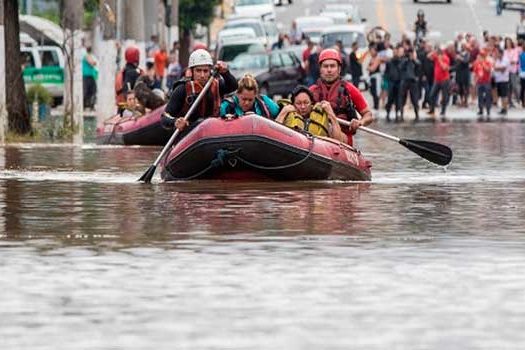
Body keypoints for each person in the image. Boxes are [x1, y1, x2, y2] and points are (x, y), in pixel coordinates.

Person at [161, 49, 238, 134]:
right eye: (198, 70)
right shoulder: (182, 89)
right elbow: (165, 117)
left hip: (212, 133)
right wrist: (175, 122)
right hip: (190, 134)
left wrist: (225, 72)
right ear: (192, 71)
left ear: (210, 71)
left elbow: (233, 86)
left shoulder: (217, 85)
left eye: (205, 71)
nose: (202, 75)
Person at [309, 48, 374, 146]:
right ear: (320, 69)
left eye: (332, 66)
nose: (329, 70)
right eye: (325, 66)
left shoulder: (349, 89)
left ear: (339, 69)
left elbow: (368, 115)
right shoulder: (312, 90)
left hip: (343, 137)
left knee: (332, 132)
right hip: (316, 136)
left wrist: (360, 122)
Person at [275, 85, 347, 143]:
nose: (303, 107)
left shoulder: (322, 117)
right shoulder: (287, 114)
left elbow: (339, 141)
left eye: (306, 103)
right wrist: (283, 112)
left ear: (312, 103)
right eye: (298, 103)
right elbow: (274, 134)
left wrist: (331, 114)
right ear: (293, 104)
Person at [427, 45, 451, 119]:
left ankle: (443, 111)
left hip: (444, 80)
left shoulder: (446, 58)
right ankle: (432, 109)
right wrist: (433, 52)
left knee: (444, 96)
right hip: (437, 80)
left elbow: (445, 68)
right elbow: (428, 56)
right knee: (432, 95)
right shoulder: (436, 57)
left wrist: (440, 60)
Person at [399, 47, 421, 122]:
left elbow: (419, 67)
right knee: (402, 98)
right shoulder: (404, 60)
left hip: (413, 81)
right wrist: (407, 59)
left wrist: (413, 60)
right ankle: (401, 113)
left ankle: (417, 114)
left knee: (414, 99)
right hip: (405, 81)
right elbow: (400, 67)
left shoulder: (415, 61)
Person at [472, 48, 493, 119]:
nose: (480, 57)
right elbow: (475, 73)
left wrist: (483, 63)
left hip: (486, 81)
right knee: (480, 96)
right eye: (480, 55)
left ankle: (488, 110)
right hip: (479, 82)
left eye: (482, 56)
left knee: (487, 96)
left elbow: (488, 70)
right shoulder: (476, 63)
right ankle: (480, 109)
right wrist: (474, 81)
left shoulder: (488, 62)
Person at [82, 46, 98, 110]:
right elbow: (92, 63)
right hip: (86, 76)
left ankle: (90, 105)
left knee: (92, 91)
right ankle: (86, 105)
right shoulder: (86, 56)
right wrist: (94, 62)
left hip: (90, 75)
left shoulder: (90, 56)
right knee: (87, 91)